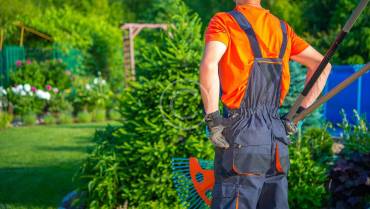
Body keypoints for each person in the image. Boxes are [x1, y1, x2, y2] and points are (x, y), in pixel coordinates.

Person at [199, 0, 332, 209]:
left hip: (243, 135)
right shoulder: (282, 29)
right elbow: (322, 66)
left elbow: (209, 64)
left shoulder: (224, 22)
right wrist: (298, 113)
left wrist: (213, 119)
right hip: (276, 137)